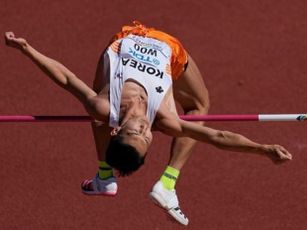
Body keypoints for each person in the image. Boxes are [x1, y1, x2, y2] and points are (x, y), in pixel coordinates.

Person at [4, 21, 292, 226]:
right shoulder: (165, 120)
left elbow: (66, 79)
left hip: (125, 39)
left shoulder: (105, 105)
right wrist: (263, 149)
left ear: (120, 130)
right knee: (199, 107)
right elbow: (217, 135)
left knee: (98, 111)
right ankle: (167, 183)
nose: (144, 127)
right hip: (168, 47)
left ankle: (105, 175)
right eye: (146, 137)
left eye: (135, 131)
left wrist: (28, 49)